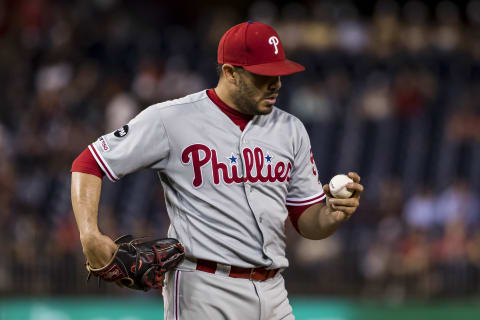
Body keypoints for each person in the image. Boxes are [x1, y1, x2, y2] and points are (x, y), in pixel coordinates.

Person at [71, 21, 364, 319]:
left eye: (278, 73)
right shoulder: (172, 119)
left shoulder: (291, 129)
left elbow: (307, 222)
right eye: (263, 75)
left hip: (274, 291)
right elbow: (88, 162)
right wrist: (88, 234)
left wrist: (331, 213)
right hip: (204, 290)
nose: (275, 83)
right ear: (230, 73)